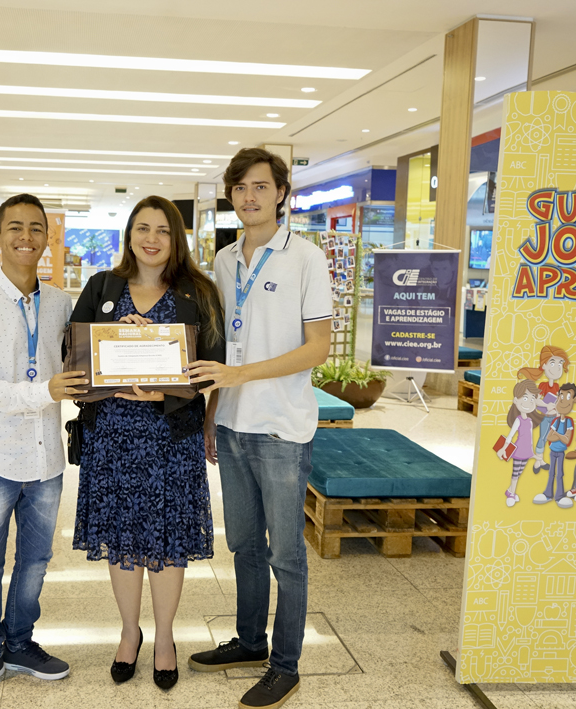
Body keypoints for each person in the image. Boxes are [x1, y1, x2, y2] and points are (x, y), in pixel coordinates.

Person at [186, 148, 332, 709]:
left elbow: (317, 348)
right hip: (231, 425)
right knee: (244, 545)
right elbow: (222, 346)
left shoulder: (306, 258)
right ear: (231, 195)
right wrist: (212, 412)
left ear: (281, 194)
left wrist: (240, 375)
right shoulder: (224, 260)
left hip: (280, 429)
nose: (250, 196)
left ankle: (285, 666)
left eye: (261, 186)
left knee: (286, 556)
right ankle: (250, 642)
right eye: (240, 187)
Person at [70, 195, 225, 690]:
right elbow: (72, 354)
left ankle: (164, 638)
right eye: (143, 228)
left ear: (176, 238)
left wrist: (169, 388)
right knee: (122, 537)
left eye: (162, 230)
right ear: (130, 234)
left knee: (167, 538)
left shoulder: (198, 292)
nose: (151, 239)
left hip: (171, 437)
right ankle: (128, 632)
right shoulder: (103, 286)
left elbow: (213, 368)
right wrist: (111, 335)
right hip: (112, 434)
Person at [0, 194, 89, 705]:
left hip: (46, 459)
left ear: (48, 237)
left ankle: (21, 644)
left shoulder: (61, 304)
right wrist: (44, 391)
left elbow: (82, 362)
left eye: (35, 228)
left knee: (35, 560)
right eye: (15, 227)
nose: (25, 237)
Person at [517, 345, 570, 474]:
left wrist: (558, 410)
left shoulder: (557, 386)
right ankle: (538, 460)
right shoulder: (542, 385)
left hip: (554, 416)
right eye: (552, 363)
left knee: (549, 438)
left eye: (560, 364)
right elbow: (536, 400)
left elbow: (558, 400)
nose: (557, 368)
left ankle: (540, 460)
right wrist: (546, 406)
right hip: (545, 416)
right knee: (542, 437)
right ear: (544, 366)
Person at [497, 380, 544, 507]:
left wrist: (533, 454)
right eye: (525, 398)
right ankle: (512, 494)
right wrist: (503, 448)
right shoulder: (518, 420)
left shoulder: (530, 421)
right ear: (515, 400)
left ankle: (510, 491)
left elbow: (530, 439)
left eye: (532, 399)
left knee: (519, 473)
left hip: (527, 452)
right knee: (515, 474)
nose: (529, 402)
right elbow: (510, 436)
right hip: (518, 451)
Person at [533, 383, 576, 506]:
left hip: (561, 452)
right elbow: (549, 437)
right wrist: (560, 436)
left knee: (560, 474)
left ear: (574, 400)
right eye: (561, 396)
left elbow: (566, 440)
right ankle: (548, 494)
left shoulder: (568, 421)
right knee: (551, 473)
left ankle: (559, 496)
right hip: (553, 451)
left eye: (567, 397)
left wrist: (557, 435)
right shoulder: (555, 421)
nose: (562, 401)